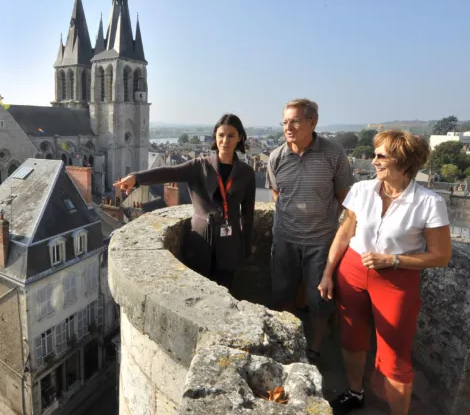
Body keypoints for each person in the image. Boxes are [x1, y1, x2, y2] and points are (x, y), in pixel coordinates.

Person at [317, 130, 452, 415]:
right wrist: (328, 271)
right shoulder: (362, 191)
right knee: (351, 336)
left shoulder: (428, 202)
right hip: (353, 269)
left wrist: (393, 261)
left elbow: (440, 256)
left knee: (395, 354)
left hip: (396, 279)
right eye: (375, 154)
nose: (373, 160)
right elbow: (345, 233)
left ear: (404, 163)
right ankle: (355, 393)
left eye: (381, 156)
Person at [113, 113, 255, 291]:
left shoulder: (247, 173)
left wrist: (246, 248)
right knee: (198, 293)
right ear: (215, 137)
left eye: (231, 135)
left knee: (226, 292)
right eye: (221, 135)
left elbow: (247, 214)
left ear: (240, 138)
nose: (225, 140)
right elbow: (168, 173)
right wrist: (136, 178)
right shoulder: (200, 166)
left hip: (229, 246)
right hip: (200, 242)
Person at [266, 99, 354, 364]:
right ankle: (288, 345)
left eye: (294, 121)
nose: (288, 127)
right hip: (285, 239)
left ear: (312, 122)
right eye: (285, 122)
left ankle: (314, 349)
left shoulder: (333, 154)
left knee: (320, 301)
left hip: (321, 242)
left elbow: (345, 199)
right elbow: (277, 195)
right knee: (282, 295)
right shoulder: (277, 157)